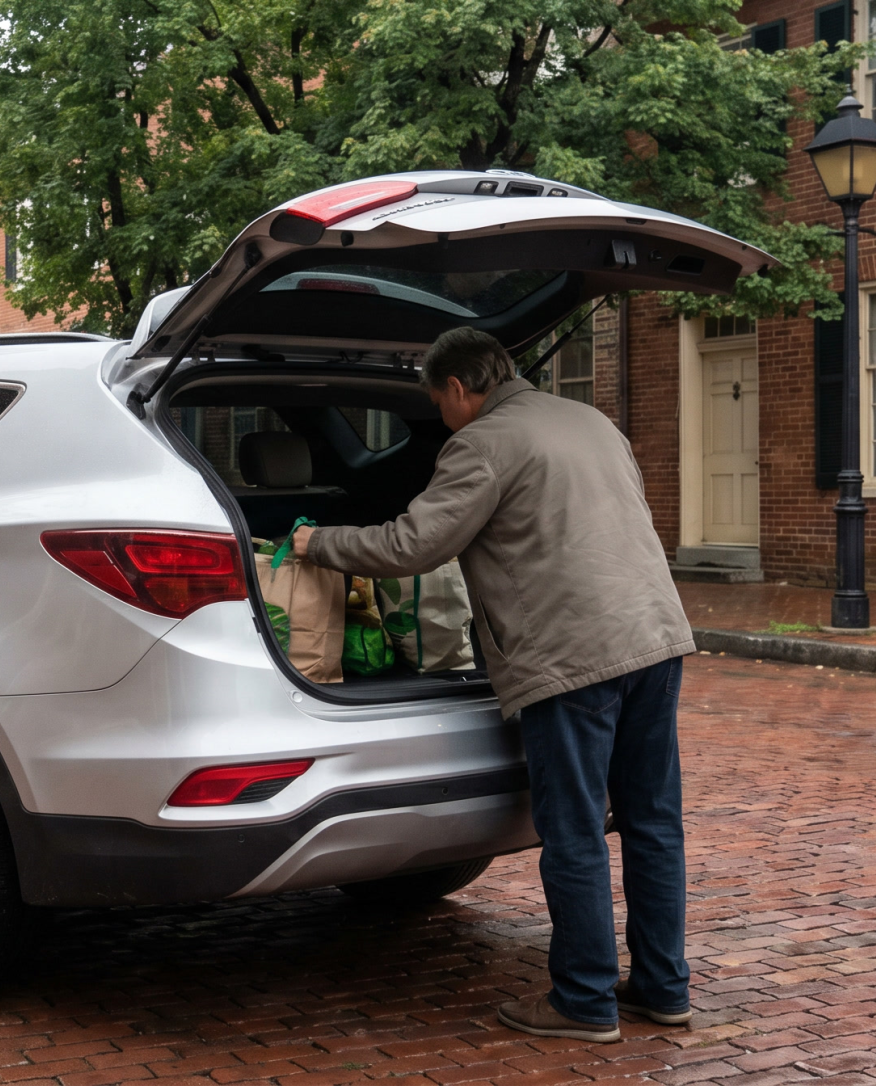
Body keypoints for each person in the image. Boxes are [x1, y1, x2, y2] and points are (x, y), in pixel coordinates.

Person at [291, 326, 694, 1043]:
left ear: (457, 387)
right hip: (655, 638)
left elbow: (414, 545)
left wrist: (317, 543)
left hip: (569, 658)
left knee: (573, 831)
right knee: (652, 822)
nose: (441, 419)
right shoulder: (591, 420)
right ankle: (664, 989)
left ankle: (583, 1002)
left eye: (437, 404)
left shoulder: (482, 442)